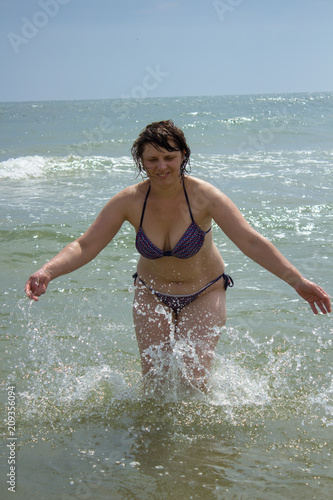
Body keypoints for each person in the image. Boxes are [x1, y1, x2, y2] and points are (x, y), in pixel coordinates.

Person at [25, 120, 331, 392]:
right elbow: (85, 245)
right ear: (141, 162)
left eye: (169, 157)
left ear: (183, 155)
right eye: (153, 159)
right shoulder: (129, 201)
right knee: (155, 385)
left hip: (204, 292)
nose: (162, 166)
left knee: (193, 383)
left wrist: (296, 280)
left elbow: (251, 242)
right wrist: (48, 271)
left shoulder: (204, 197)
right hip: (151, 293)